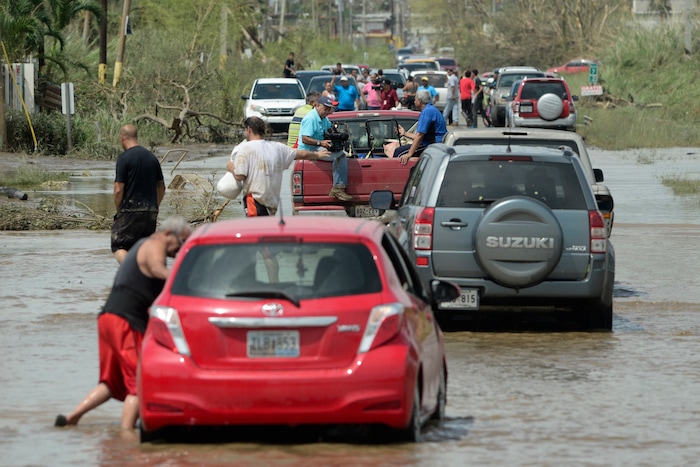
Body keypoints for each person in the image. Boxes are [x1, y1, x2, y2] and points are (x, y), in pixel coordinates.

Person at [55, 216, 192, 430]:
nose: (181, 250)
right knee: (139, 382)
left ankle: (71, 418)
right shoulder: (153, 244)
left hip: (108, 318)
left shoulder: (141, 246)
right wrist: (185, 280)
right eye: (182, 243)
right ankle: (127, 435)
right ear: (168, 234)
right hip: (125, 321)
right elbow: (156, 269)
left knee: (112, 382)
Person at [228, 116, 329, 217]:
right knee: (267, 230)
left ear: (249, 129)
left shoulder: (244, 148)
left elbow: (240, 175)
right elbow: (301, 154)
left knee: (256, 231)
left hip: (254, 200)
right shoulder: (278, 147)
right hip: (272, 202)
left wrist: (232, 168)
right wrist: (317, 155)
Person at [111, 124, 166, 264]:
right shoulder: (152, 158)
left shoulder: (124, 158)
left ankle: (132, 273)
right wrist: (154, 207)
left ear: (122, 138)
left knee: (119, 245)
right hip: (150, 211)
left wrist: (119, 211)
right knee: (144, 247)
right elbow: (161, 187)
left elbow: (118, 190)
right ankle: (146, 278)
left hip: (130, 210)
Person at [298, 96, 352, 201]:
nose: (327, 111)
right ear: (317, 105)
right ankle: (338, 188)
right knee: (340, 156)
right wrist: (320, 142)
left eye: (329, 109)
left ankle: (339, 185)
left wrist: (336, 133)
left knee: (346, 154)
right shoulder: (311, 118)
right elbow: (305, 139)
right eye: (325, 108)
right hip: (309, 150)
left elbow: (329, 129)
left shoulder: (324, 118)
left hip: (318, 146)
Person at [396, 89, 448, 165]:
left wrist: (409, 154)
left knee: (399, 152)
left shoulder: (427, 112)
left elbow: (420, 135)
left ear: (419, 101)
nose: (414, 102)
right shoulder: (431, 109)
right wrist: (404, 133)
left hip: (433, 145)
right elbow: (420, 135)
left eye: (415, 100)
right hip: (434, 143)